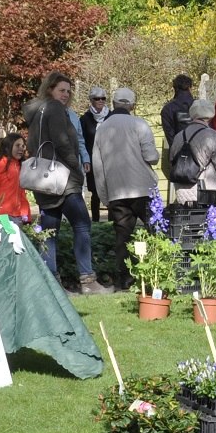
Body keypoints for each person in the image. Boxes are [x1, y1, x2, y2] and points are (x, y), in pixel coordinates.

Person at [24, 71, 103, 295]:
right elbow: (63, 143)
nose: (66, 95)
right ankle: (87, 280)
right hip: (63, 178)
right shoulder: (55, 109)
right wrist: (76, 169)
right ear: (50, 89)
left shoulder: (36, 111)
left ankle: (51, 284)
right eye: (62, 90)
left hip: (43, 180)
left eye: (69, 91)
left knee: (49, 231)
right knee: (82, 225)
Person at [91, 87, 159, 289]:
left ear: (112, 104)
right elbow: (151, 157)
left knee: (122, 238)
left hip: (117, 192)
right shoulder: (139, 124)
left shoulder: (102, 128)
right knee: (155, 231)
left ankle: (124, 280)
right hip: (143, 189)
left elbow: (98, 166)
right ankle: (156, 272)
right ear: (132, 105)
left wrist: (105, 196)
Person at [165, 99, 216, 205]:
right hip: (206, 189)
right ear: (210, 115)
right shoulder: (213, 136)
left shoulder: (179, 135)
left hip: (181, 186)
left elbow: (172, 159)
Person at [0, 133, 31, 224]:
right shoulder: (0, 164)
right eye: (17, 145)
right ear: (8, 147)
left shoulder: (20, 166)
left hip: (17, 216)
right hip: (1, 215)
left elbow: (21, 193)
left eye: (23, 146)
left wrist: (25, 213)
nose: (21, 148)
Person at [81, 86, 109, 220]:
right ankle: (96, 221)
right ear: (91, 100)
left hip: (109, 159)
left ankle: (112, 221)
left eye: (103, 98)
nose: (100, 101)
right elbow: (82, 141)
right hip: (93, 160)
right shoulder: (85, 119)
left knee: (111, 191)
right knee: (95, 192)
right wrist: (85, 159)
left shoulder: (111, 116)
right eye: (97, 98)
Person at [161, 74, 195, 146]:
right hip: (201, 150)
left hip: (179, 151)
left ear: (175, 88)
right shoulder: (199, 106)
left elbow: (170, 136)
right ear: (190, 87)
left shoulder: (167, 109)